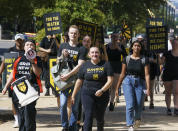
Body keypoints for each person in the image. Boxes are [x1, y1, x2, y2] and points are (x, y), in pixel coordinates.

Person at [2, 39, 42, 131]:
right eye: (27, 45)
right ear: (24, 47)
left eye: (32, 45)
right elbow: (13, 73)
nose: (29, 46)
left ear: (34, 48)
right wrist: (5, 87)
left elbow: (38, 73)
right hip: (19, 91)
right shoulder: (18, 59)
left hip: (31, 91)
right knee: (21, 115)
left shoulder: (37, 59)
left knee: (29, 114)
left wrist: (32, 62)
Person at [72, 47, 113, 131]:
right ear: (89, 54)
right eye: (92, 52)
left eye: (96, 52)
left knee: (100, 117)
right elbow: (79, 81)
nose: (95, 54)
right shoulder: (84, 65)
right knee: (88, 115)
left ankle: (100, 128)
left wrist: (102, 90)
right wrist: (73, 95)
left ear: (100, 54)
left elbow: (110, 80)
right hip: (87, 93)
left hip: (102, 94)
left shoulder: (106, 64)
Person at [57, 25, 87, 131]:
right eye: (71, 33)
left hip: (77, 80)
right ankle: (65, 125)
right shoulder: (63, 46)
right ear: (68, 34)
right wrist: (62, 56)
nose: (73, 35)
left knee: (75, 105)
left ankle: (72, 126)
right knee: (63, 103)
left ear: (78, 34)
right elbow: (57, 63)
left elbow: (80, 66)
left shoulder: (82, 48)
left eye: (75, 33)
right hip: (64, 80)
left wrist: (68, 74)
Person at [116, 40, 150, 131]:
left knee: (139, 104)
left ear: (141, 48)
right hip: (128, 81)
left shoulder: (144, 59)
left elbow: (147, 75)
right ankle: (130, 125)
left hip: (140, 82)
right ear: (131, 47)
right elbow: (122, 74)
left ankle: (137, 119)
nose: (136, 47)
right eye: (135, 45)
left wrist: (148, 88)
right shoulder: (126, 59)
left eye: (138, 46)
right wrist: (117, 87)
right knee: (130, 104)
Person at [0, 33, 25, 128]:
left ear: (23, 41)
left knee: (23, 100)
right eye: (17, 40)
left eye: (20, 40)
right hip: (12, 80)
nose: (19, 41)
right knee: (14, 101)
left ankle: (23, 118)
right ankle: (17, 120)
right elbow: (4, 63)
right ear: (15, 40)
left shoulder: (26, 51)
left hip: (24, 79)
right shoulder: (10, 51)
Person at [106, 33, 127, 111]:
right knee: (108, 86)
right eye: (113, 37)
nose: (114, 38)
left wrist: (119, 49)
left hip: (117, 66)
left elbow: (125, 55)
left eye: (116, 37)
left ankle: (111, 102)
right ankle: (107, 101)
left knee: (114, 86)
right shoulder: (107, 46)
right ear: (110, 37)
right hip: (108, 66)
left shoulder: (120, 46)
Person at [161, 35, 178, 116]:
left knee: (176, 91)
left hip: (177, 75)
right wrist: (158, 55)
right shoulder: (166, 53)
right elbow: (161, 62)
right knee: (168, 92)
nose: (175, 45)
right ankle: (168, 109)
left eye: (176, 43)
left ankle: (176, 108)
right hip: (167, 74)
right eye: (174, 43)